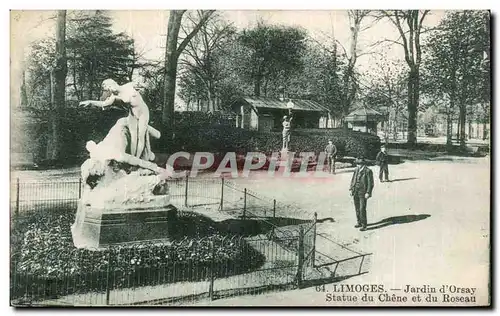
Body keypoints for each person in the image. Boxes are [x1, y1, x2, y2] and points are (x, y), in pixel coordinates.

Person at [79, 79, 155, 162]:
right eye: (109, 89)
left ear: (114, 83)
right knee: (134, 138)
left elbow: (143, 85)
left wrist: (145, 86)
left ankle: (138, 159)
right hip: (132, 114)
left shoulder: (128, 85)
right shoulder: (114, 97)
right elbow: (103, 104)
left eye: (110, 87)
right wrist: (89, 102)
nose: (111, 89)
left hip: (143, 111)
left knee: (140, 136)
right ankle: (134, 160)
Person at [349, 156, 374, 231]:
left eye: (359, 164)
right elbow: (353, 179)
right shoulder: (356, 170)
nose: (358, 165)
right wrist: (351, 189)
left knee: (362, 208)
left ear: (363, 164)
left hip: (363, 192)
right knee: (357, 207)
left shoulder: (368, 171)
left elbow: (370, 183)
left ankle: (364, 225)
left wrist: (368, 192)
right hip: (355, 190)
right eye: (357, 164)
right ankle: (359, 222)